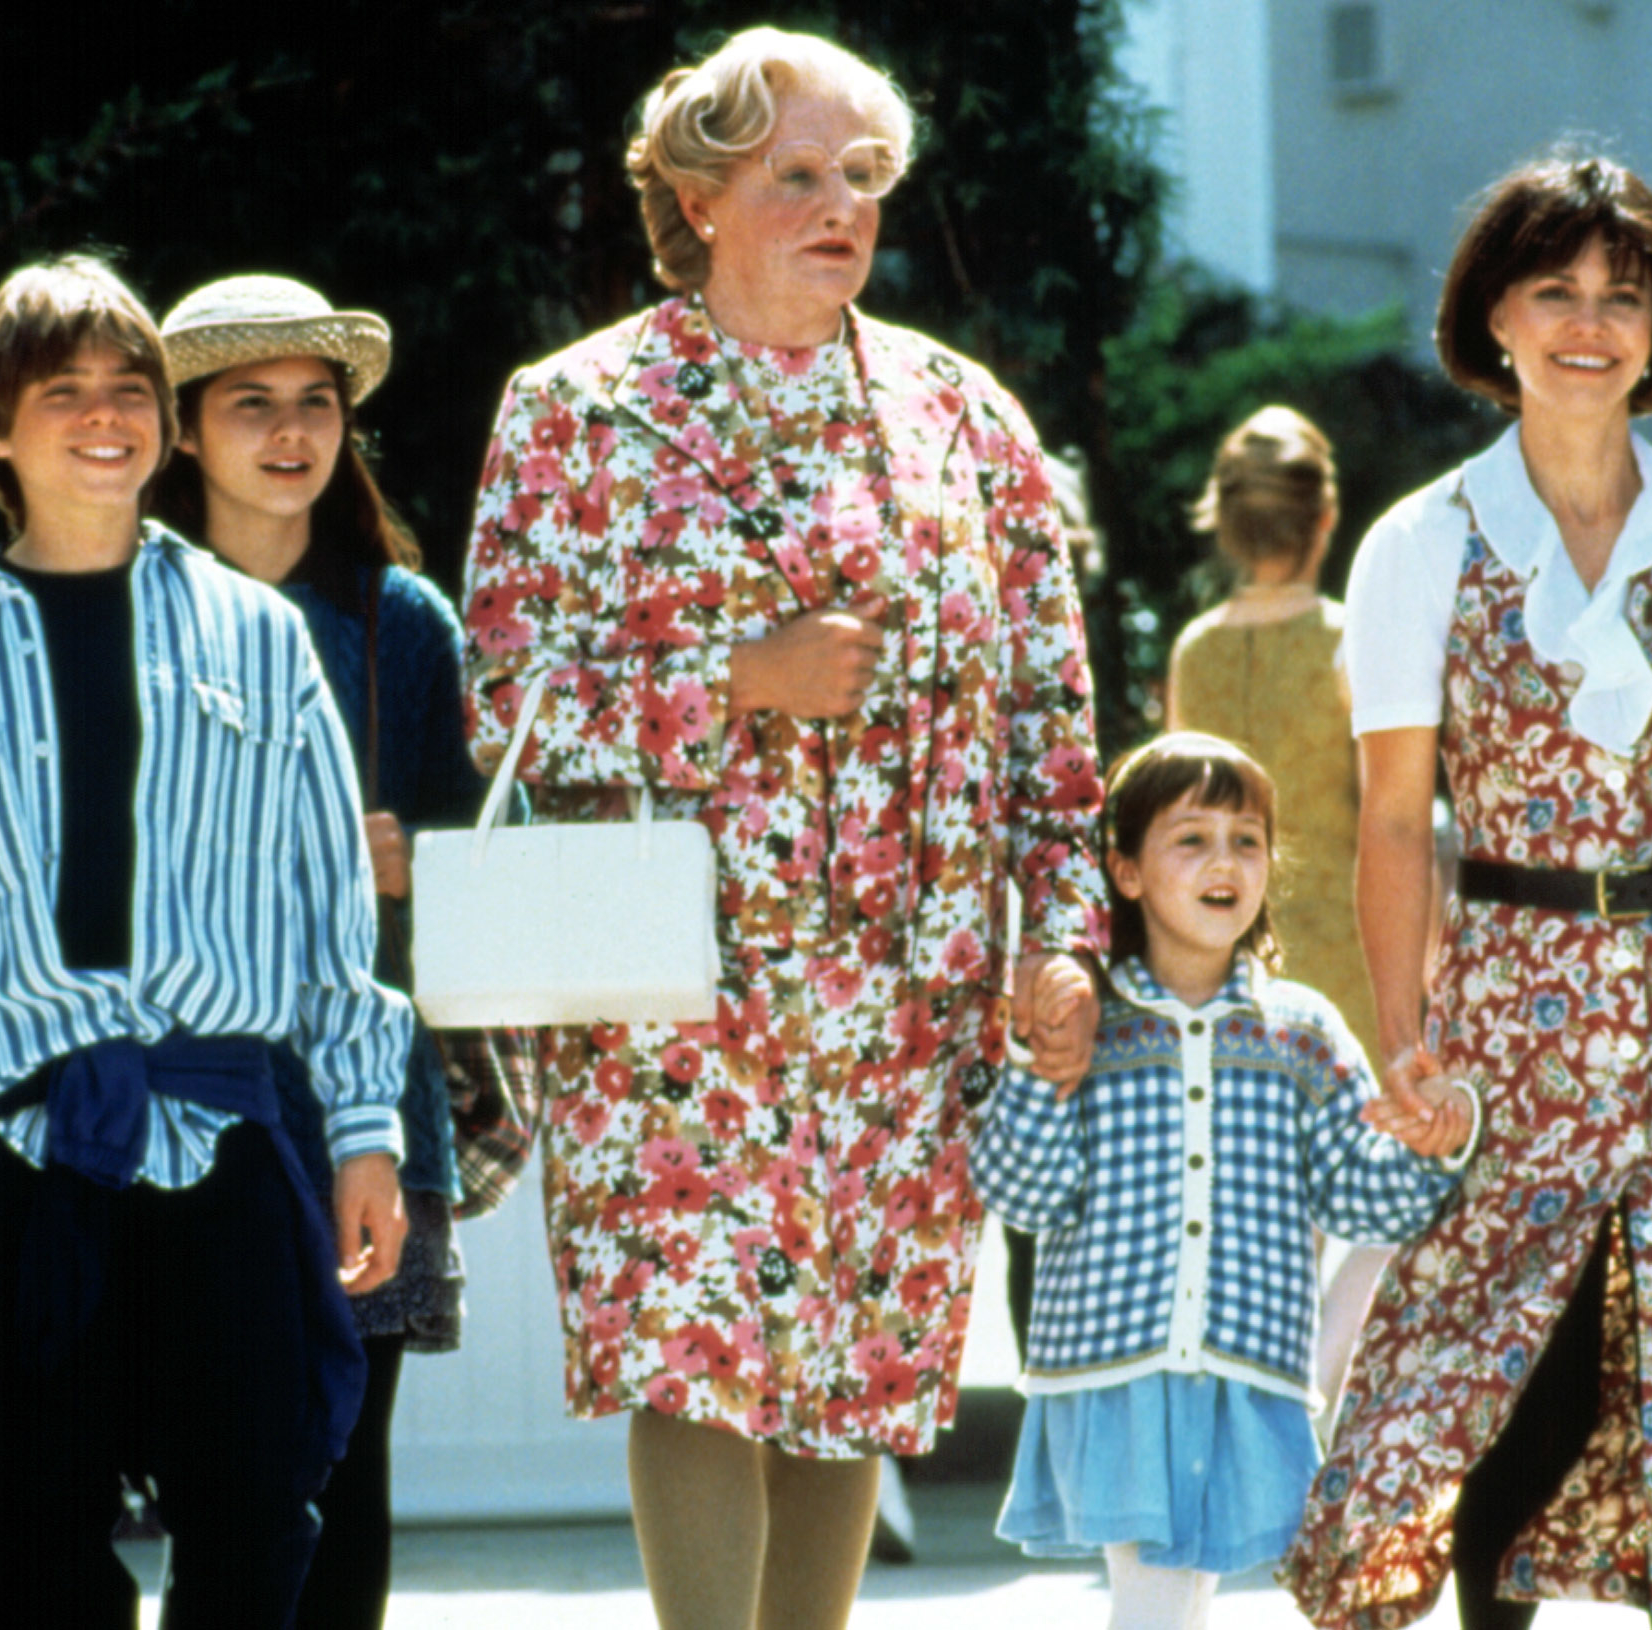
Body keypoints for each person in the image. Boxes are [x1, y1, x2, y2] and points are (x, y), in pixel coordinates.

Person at [459, 27, 1106, 1630]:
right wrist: (733, 679)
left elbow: (1055, 720)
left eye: (864, 178)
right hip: (673, 985)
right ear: (697, 194)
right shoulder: (577, 412)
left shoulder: (966, 420)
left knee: (858, 1367)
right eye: (798, 176)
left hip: (912, 986)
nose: (844, 208)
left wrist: (1071, 934)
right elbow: (502, 695)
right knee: (692, 1352)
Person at [1279, 155, 1652, 1630]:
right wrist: (1408, 1039)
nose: (1589, 325)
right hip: (1508, 1004)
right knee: (1499, 1364)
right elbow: (1399, 820)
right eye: (1555, 291)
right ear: (1494, 315)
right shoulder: (1423, 543)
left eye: (1624, 295)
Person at [0, 256, 409, 1629]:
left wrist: (364, 1129)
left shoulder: (259, 639)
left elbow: (327, 919)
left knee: (257, 1524)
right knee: (40, 1546)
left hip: (228, 1143)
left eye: (129, 388)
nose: (103, 416)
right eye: (60, 392)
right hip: (8, 1159)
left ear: (162, 419)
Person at [974, 733, 1476, 1630]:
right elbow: (1024, 1195)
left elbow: (1365, 1199)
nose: (1225, 862)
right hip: (1115, 1369)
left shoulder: (1302, 1031)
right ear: (1125, 873)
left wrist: (1436, 1143)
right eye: (1191, 839)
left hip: (1247, 1367)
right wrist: (1038, 1068)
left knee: (1176, 1602)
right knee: (1157, 1604)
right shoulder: (1094, 1027)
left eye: (1247, 841)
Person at [154, 273, 484, 1630]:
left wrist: (418, 861)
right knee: (210, 1478)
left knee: (347, 1476)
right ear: (183, 430)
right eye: (252, 405)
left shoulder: (400, 623)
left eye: (316, 404)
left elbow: (483, 858)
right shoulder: (126, 608)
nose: (291, 433)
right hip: (181, 1100)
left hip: (365, 1109)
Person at [1164, 406, 1396, 1413]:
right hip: (1345, 949)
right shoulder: (1350, 642)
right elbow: (1383, 808)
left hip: (1228, 956)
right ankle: (1317, 1387)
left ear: (1220, 519)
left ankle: (1271, 1406)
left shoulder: (1193, 651)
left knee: (1263, 1214)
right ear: (1324, 515)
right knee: (1393, 1194)